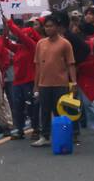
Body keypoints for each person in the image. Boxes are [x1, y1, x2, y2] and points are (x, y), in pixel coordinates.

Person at [32, 12, 76, 147]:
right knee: (44, 111)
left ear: (57, 27)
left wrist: (73, 82)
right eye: (46, 26)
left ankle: (64, 135)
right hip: (44, 84)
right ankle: (45, 136)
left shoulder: (65, 43)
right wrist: (36, 85)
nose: (48, 29)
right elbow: (38, 65)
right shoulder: (40, 43)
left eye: (51, 26)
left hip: (60, 83)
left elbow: (71, 64)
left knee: (61, 111)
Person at [3, 15, 38, 139]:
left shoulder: (33, 46)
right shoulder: (19, 48)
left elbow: (21, 36)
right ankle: (20, 129)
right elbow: (5, 43)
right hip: (18, 82)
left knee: (31, 107)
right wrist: (6, 30)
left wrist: (9, 23)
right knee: (18, 107)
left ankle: (35, 129)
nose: (22, 36)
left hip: (29, 81)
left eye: (25, 34)